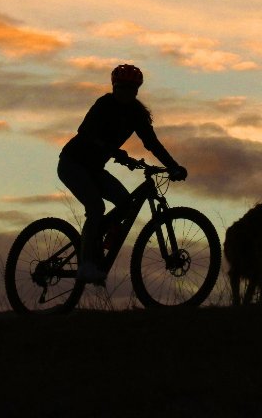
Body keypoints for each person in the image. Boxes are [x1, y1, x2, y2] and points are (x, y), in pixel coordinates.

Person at [57, 64, 188, 283]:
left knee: (126, 204)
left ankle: (97, 240)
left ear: (137, 91)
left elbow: (152, 143)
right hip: (73, 164)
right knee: (96, 207)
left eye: (132, 89)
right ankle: (87, 264)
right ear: (114, 87)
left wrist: (173, 165)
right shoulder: (104, 104)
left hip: (95, 169)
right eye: (122, 87)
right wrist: (115, 151)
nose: (127, 92)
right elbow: (85, 133)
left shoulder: (137, 113)